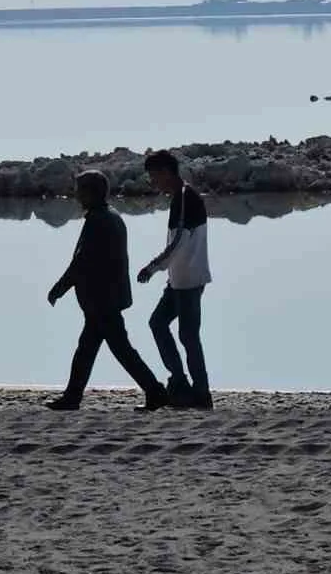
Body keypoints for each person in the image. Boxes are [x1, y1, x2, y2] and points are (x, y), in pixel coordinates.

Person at [46, 170, 170, 412]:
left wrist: (59, 288)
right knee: (92, 350)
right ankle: (73, 398)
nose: (76, 195)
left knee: (117, 351)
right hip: (106, 299)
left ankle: (155, 391)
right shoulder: (109, 216)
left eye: (80, 190)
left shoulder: (99, 220)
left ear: (91, 193)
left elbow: (81, 263)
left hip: (102, 300)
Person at [136, 150, 213, 409]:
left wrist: (152, 267)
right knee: (159, 324)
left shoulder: (183, 198)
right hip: (180, 279)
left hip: (188, 279)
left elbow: (179, 241)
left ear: (165, 172)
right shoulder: (181, 197)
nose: (153, 182)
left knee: (187, 336)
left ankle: (198, 393)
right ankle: (181, 383)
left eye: (154, 176)